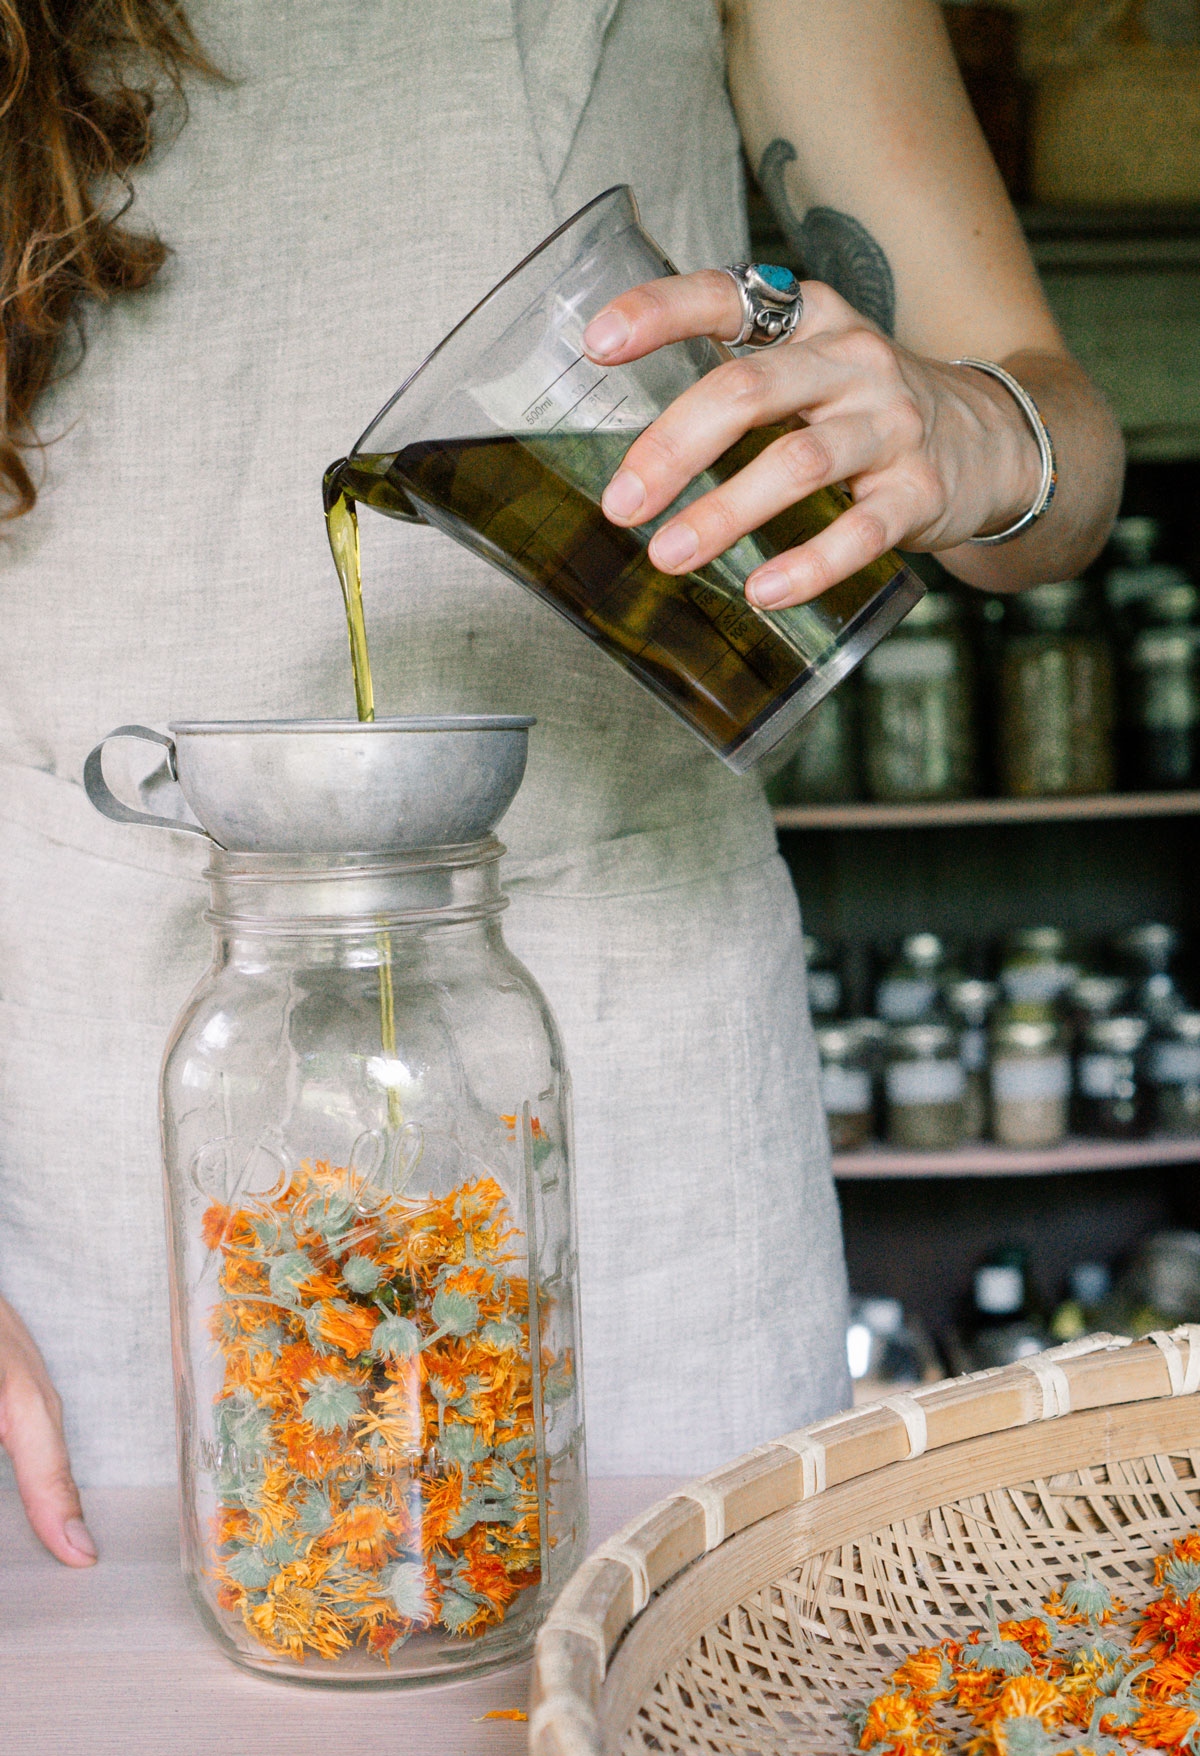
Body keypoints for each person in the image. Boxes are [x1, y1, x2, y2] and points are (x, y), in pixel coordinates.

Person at [0, 0, 1122, 1570]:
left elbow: (1058, 439)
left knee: (681, 1673)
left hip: (623, 1011)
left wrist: (980, 426)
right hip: (76, 1056)